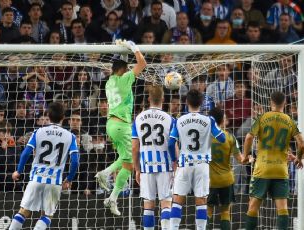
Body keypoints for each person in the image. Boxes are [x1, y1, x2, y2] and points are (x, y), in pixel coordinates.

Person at [8, 102, 80, 230]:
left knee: (24, 211)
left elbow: (26, 153)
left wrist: (18, 171)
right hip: (54, 181)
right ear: (63, 117)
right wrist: (69, 179)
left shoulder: (38, 132)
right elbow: (75, 161)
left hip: (36, 178)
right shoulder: (71, 136)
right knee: (47, 215)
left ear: (48, 116)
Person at [95, 40, 147, 216]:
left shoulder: (109, 81)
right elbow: (142, 64)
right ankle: (111, 194)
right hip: (122, 125)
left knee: (124, 160)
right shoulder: (124, 78)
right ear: (122, 70)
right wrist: (133, 47)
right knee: (130, 163)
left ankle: (107, 177)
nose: (129, 71)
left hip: (111, 124)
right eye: (127, 68)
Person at [242, 91, 304, 230]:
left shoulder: (262, 117)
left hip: (262, 168)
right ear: (285, 103)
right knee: (282, 209)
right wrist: (298, 158)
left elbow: (248, 138)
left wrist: (245, 156)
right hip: (281, 170)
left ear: (270, 102)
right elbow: (302, 144)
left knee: (253, 206)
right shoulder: (290, 121)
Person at [168, 89, 226, 230]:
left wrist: (174, 160)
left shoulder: (179, 120)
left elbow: (170, 143)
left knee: (177, 200)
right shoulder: (209, 120)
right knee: (201, 200)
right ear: (202, 103)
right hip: (202, 165)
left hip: (184, 163)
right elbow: (222, 139)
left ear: (186, 103)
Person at [132, 85, 176, 230]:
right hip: (165, 165)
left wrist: (137, 169)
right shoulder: (169, 119)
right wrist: (176, 164)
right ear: (163, 98)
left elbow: (134, 147)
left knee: (148, 206)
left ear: (149, 98)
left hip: (146, 165)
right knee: (166, 203)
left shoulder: (138, 119)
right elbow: (173, 144)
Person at [207, 107, 242, 230]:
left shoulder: (205, 138)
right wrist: (249, 158)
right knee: (225, 212)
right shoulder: (230, 137)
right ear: (222, 120)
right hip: (226, 180)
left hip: (210, 180)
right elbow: (240, 160)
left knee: (208, 211)